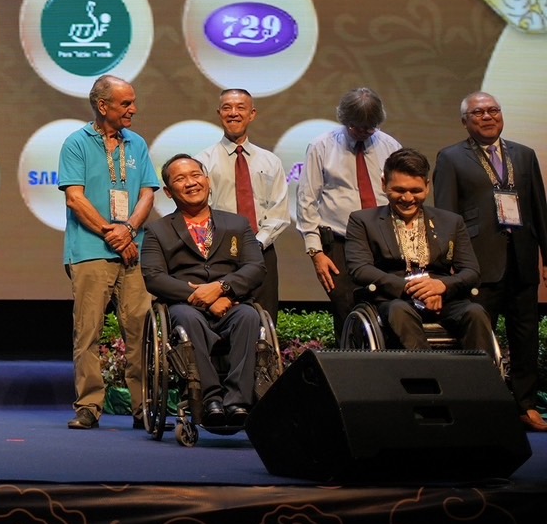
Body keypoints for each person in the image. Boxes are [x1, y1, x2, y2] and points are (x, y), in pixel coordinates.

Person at [433, 92, 547, 430]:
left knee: (526, 336)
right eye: (479, 112)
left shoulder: (524, 155)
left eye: (493, 110)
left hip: (522, 259)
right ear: (465, 121)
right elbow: (446, 215)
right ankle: (481, 407)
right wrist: (451, 263)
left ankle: (526, 405)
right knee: (479, 337)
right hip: (478, 264)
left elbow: (539, 210)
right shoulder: (451, 157)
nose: (488, 116)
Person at [59, 74, 158, 430]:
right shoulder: (76, 143)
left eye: (133, 102)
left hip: (133, 251)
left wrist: (128, 230)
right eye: (126, 103)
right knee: (88, 332)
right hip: (90, 251)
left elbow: (147, 193)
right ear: (103, 106)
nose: (134, 109)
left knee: (140, 332)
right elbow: (75, 198)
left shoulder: (137, 143)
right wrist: (110, 232)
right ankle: (89, 406)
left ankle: (144, 407)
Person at [141, 154, 265, 429]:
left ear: (207, 181)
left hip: (231, 303)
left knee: (249, 317)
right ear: (168, 192)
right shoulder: (157, 230)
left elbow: (256, 267)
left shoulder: (237, 224)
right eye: (180, 179)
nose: (191, 183)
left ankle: (237, 401)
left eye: (196, 175)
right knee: (188, 319)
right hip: (186, 306)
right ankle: (210, 399)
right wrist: (202, 299)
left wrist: (222, 288)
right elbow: (154, 277)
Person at [345, 148, 493, 352]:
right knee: (399, 311)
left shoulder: (451, 222)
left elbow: (471, 271)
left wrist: (441, 286)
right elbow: (360, 269)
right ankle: (428, 368)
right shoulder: (362, 221)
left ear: (427, 186)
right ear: (384, 184)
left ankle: (479, 372)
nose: (407, 198)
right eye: (399, 190)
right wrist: (413, 290)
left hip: (442, 298)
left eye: (416, 191)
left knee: (474, 313)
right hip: (394, 299)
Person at [297, 87, 401, 336]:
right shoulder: (322, 146)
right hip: (341, 243)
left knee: (390, 307)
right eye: (356, 127)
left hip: (385, 240)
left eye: (370, 128)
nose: (363, 132)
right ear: (344, 119)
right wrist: (316, 252)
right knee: (346, 310)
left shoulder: (390, 146)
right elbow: (307, 200)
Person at [195, 89, 289, 319]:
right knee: (224, 319)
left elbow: (278, 212)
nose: (233, 113)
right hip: (219, 253)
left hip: (262, 250)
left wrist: (256, 244)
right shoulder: (202, 161)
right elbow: (199, 211)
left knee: (265, 318)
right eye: (227, 108)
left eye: (240, 108)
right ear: (219, 113)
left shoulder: (270, 161)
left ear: (252, 114)